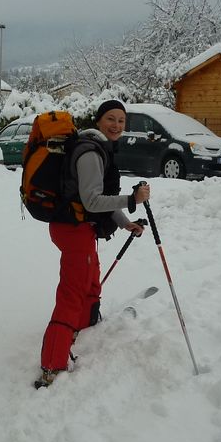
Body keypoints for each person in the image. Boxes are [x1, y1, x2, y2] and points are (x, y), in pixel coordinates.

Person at [36, 99, 151, 389]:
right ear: (99, 121)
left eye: (121, 121)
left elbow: (98, 199)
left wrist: (126, 222)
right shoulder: (90, 153)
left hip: (79, 228)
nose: (116, 125)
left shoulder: (99, 148)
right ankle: (53, 363)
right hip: (72, 229)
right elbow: (92, 200)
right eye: (111, 119)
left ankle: (85, 327)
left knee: (90, 282)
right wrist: (132, 200)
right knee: (71, 293)